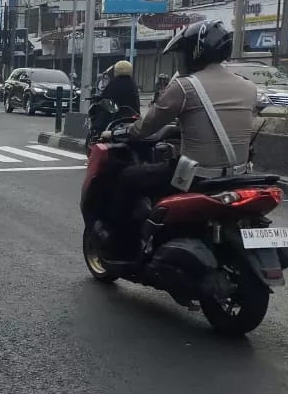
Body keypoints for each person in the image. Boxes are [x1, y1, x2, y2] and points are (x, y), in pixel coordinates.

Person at [105, 20, 257, 258]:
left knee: (128, 178)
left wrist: (117, 132)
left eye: (182, 54)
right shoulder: (249, 87)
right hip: (239, 176)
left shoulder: (185, 87)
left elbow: (145, 127)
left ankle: (121, 248)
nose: (181, 60)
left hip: (196, 176)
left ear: (195, 52)